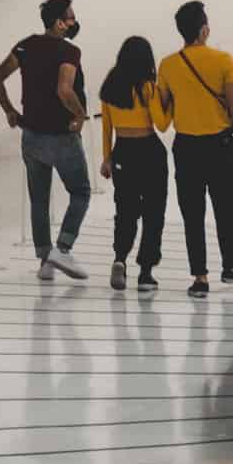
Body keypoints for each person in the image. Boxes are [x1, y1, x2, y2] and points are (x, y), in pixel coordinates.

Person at [0, 0, 91, 280]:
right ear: (59, 23)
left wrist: (10, 110)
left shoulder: (25, 46)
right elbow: (64, 90)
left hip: (31, 137)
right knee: (80, 192)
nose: (74, 21)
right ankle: (63, 249)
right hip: (61, 137)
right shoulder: (69, 51)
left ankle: (46, 263)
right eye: (70, 17)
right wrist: (80, 115)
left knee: (39, 200)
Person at [156, 0, 233, 298]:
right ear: (204, 29)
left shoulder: (168, 65)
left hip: (186, 148)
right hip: (219, 146)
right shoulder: (224, 60)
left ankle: (200, 278)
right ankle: (231, 267)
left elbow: (164, 111)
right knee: (226, 207)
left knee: (192, 213)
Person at [98, 37, 171, 293]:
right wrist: (169, 103)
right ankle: (146, 272)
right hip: (149, 151)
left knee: (125, 209)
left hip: (122, 152)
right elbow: (161, 125)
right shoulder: (148, 88)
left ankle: (120, 259)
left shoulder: (110, 86)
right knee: (153, 213)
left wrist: (107, 158)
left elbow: (106, 127)